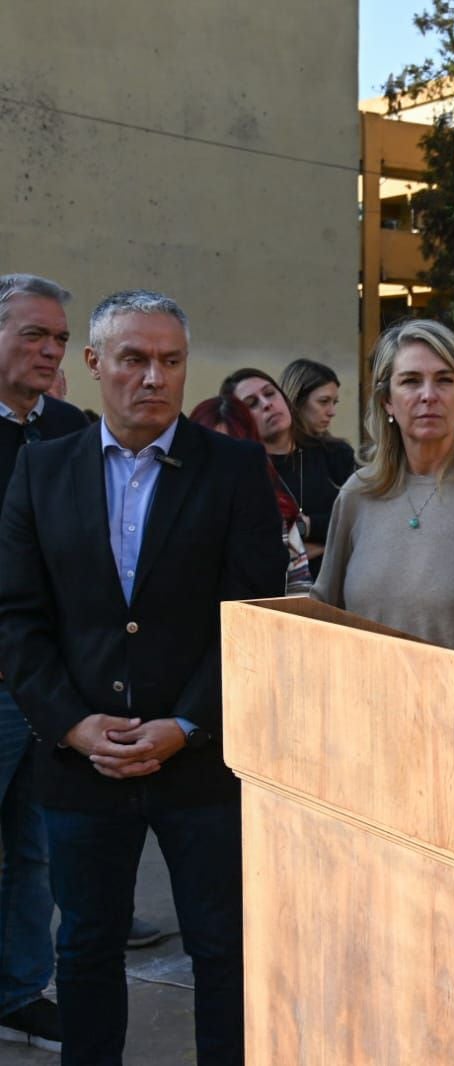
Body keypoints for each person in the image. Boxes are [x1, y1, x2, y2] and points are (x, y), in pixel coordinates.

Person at [0, 289, 285, 1065]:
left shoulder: (233, 468)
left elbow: (251, 609)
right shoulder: (41, 468)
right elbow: (18, 616)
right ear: (94, 364)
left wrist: (187, 722)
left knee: (222, 950)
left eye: (170, 361)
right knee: (87, 948)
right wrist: (69, 723)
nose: (153, 377)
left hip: (199, 760)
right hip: (81, 760)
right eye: (133, 359)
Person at [313, 320, 454, 653]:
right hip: (366, 698)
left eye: (445, 380)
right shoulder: (358, 494)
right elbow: (324, 611)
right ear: (387, 401)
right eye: (410, 381)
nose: (428, 396)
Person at [0, 273, 83, 1053]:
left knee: (34, 847)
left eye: (58, 338)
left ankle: (20, 989)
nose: (51, 350)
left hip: (48, 684)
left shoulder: (67, 428)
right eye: (34, 334)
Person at [220, 366, 355, 580]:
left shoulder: (334, 453)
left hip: (344, 587)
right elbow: (262, 547)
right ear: (240, 420)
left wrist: (305, 528)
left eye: (269, 393)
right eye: (252, 404)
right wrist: (328, 539)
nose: (267, 405)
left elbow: (359, 522)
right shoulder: (245, 471)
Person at [188, 396, 312, 595]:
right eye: (212, 454)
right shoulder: (171, 511)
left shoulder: (278, 515)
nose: (220, 468)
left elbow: (298, 595)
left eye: (230, 454)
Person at [278, 358, 345, 443]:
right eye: (323, 401)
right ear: (297, 400)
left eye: (334, 403)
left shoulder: (339, 452)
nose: (332, 413)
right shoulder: (263, 451)